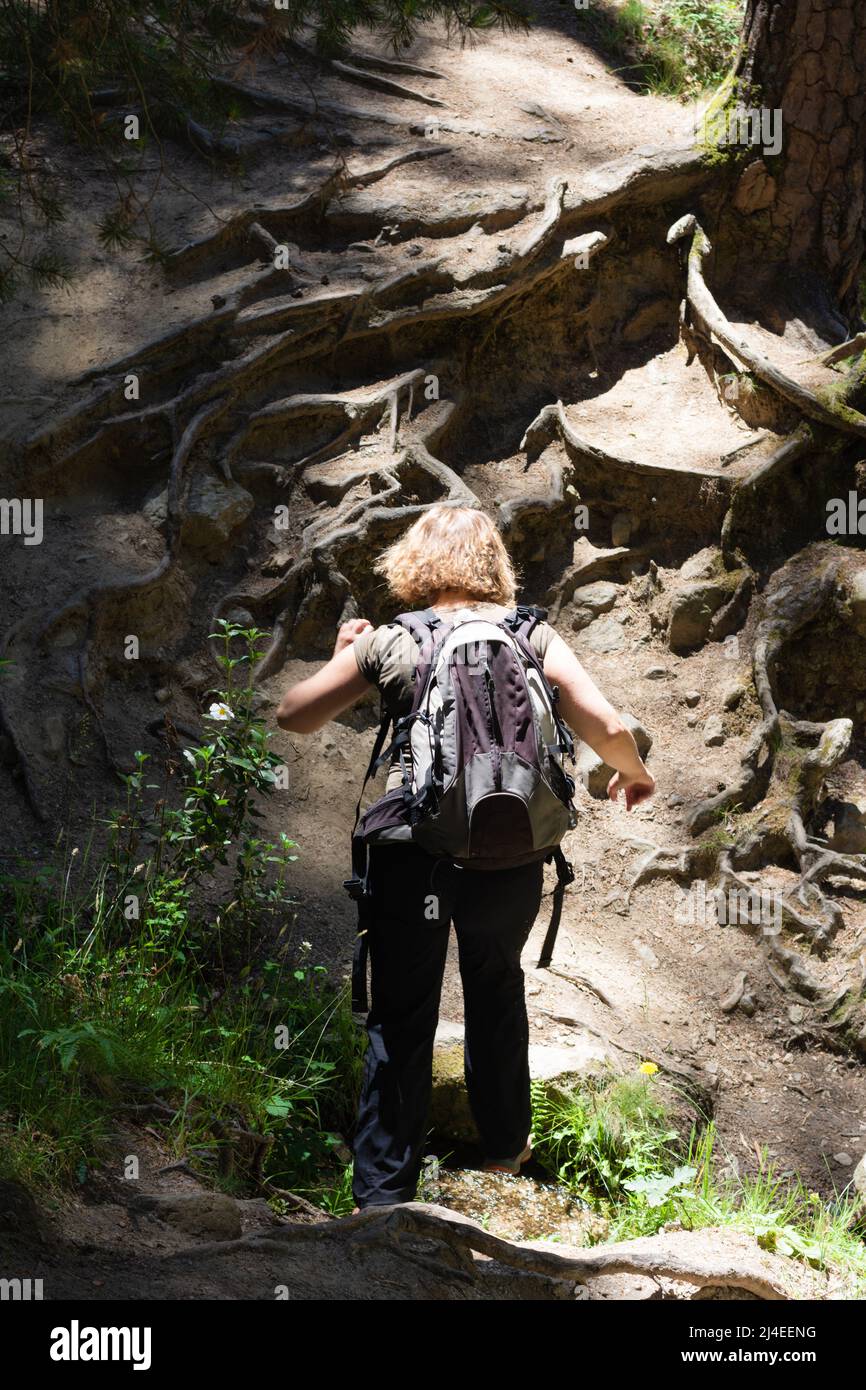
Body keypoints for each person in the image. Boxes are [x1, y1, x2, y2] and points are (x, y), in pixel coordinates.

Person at [276, 503, 655, 1212]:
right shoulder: (530, 632)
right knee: (495, 990)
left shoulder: (396, 638)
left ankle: (383, 1200)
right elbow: (605, 724)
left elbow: (294, 714)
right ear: (494, 565)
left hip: (412, 850)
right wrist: (633, 773)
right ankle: (505, 1155)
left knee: (403, 1014)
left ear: (415, 565)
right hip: (508, 851)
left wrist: (339, 656)